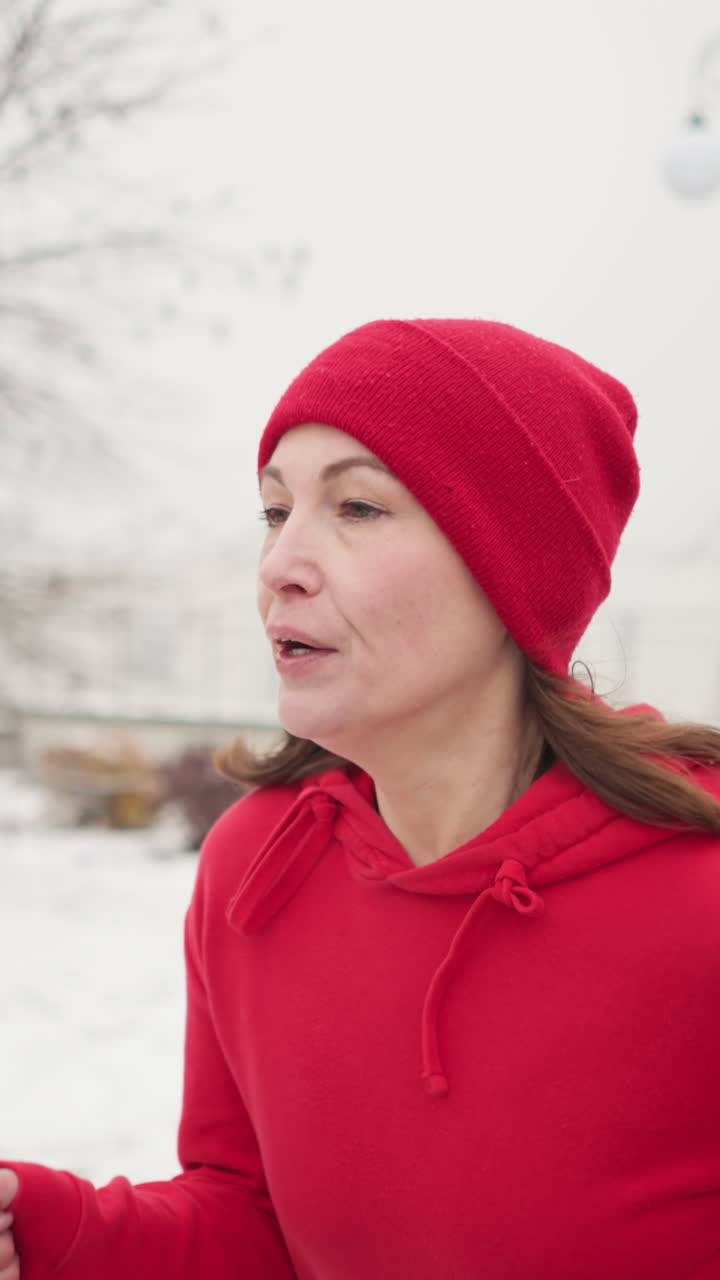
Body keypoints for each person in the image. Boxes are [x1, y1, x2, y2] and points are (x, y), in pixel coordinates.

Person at [3, 317, 720, 1280]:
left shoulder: (697, 901)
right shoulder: (253, 869)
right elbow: (254, 1222)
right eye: (274, 513)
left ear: (513, 569)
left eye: (358, 509)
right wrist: (56, 1231)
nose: (278, 567)